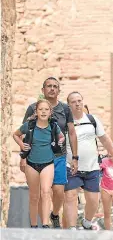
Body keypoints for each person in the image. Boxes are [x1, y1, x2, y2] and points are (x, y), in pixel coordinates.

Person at [22, 77, 78, 228]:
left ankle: (54, 214)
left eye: (55, 86)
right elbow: (25, 134)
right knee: (41, 193)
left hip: (58, 157)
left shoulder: (65, 109)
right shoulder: (33, 108)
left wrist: (74, 157)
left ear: (59, 91)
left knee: (58, 191)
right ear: (43, 90)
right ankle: (43, 225)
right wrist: (23, 157)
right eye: (49, 86)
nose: (52, 89)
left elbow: (71, 133)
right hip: (36, 157)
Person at [64, 91, 113, 230]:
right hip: (72, 166)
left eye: (79, 100)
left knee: (93, 201)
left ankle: (87, 221)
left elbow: (104, 139)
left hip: (92, 167)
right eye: (73, 101)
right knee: (71, 196)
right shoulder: (65, 123)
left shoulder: (92, 120)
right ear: (69, 105)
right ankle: (71, 228)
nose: (77, 104)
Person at [13, 99, 65, 228]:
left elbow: (61, 136)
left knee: (46, 192)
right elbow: (15, 135)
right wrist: (22, 145)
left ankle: (46, 224)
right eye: (40, 109)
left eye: (46, 109)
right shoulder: (30, 125)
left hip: (48, 163)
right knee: (34, 196)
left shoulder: (53, 126)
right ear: (36, 111)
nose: (43, 112)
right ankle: (34, 225)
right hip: (31, 164)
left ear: (50, 112)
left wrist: (60, 141)